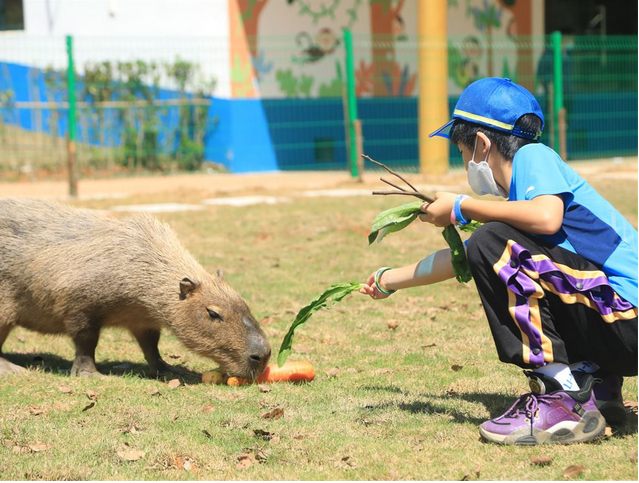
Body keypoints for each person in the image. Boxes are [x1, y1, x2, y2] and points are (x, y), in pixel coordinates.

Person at [359, 77, 638, 446]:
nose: (463, 163)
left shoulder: (533, 157)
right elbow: (463, 259)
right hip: (616, 326)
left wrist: (460, 206)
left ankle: (560, 397)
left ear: (481, 143)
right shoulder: (513, 213)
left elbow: (546, 218)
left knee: (492, 243)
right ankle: (596, 387)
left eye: (461, 151)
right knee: (493, 247)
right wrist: (387, 279)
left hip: (626, 316)